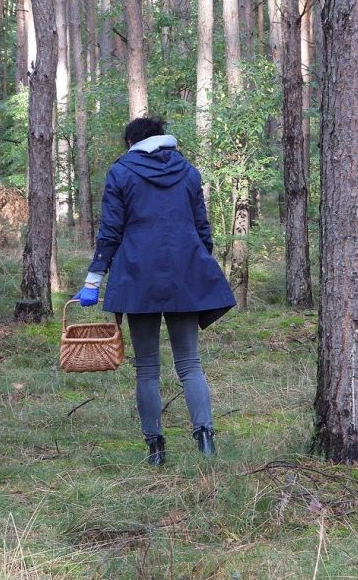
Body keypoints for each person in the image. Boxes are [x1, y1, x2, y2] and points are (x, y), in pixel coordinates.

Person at [73, 117, 236, 466]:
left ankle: (156, 449)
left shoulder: (121, 172)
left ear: (132, 141)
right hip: (186, 274)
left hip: (137, 275)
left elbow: (111, 231)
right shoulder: (188, 172)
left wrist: (93, 280)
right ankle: (205, 441)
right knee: (190, 364)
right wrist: (194, 264)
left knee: (147, 368)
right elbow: (202, 229)